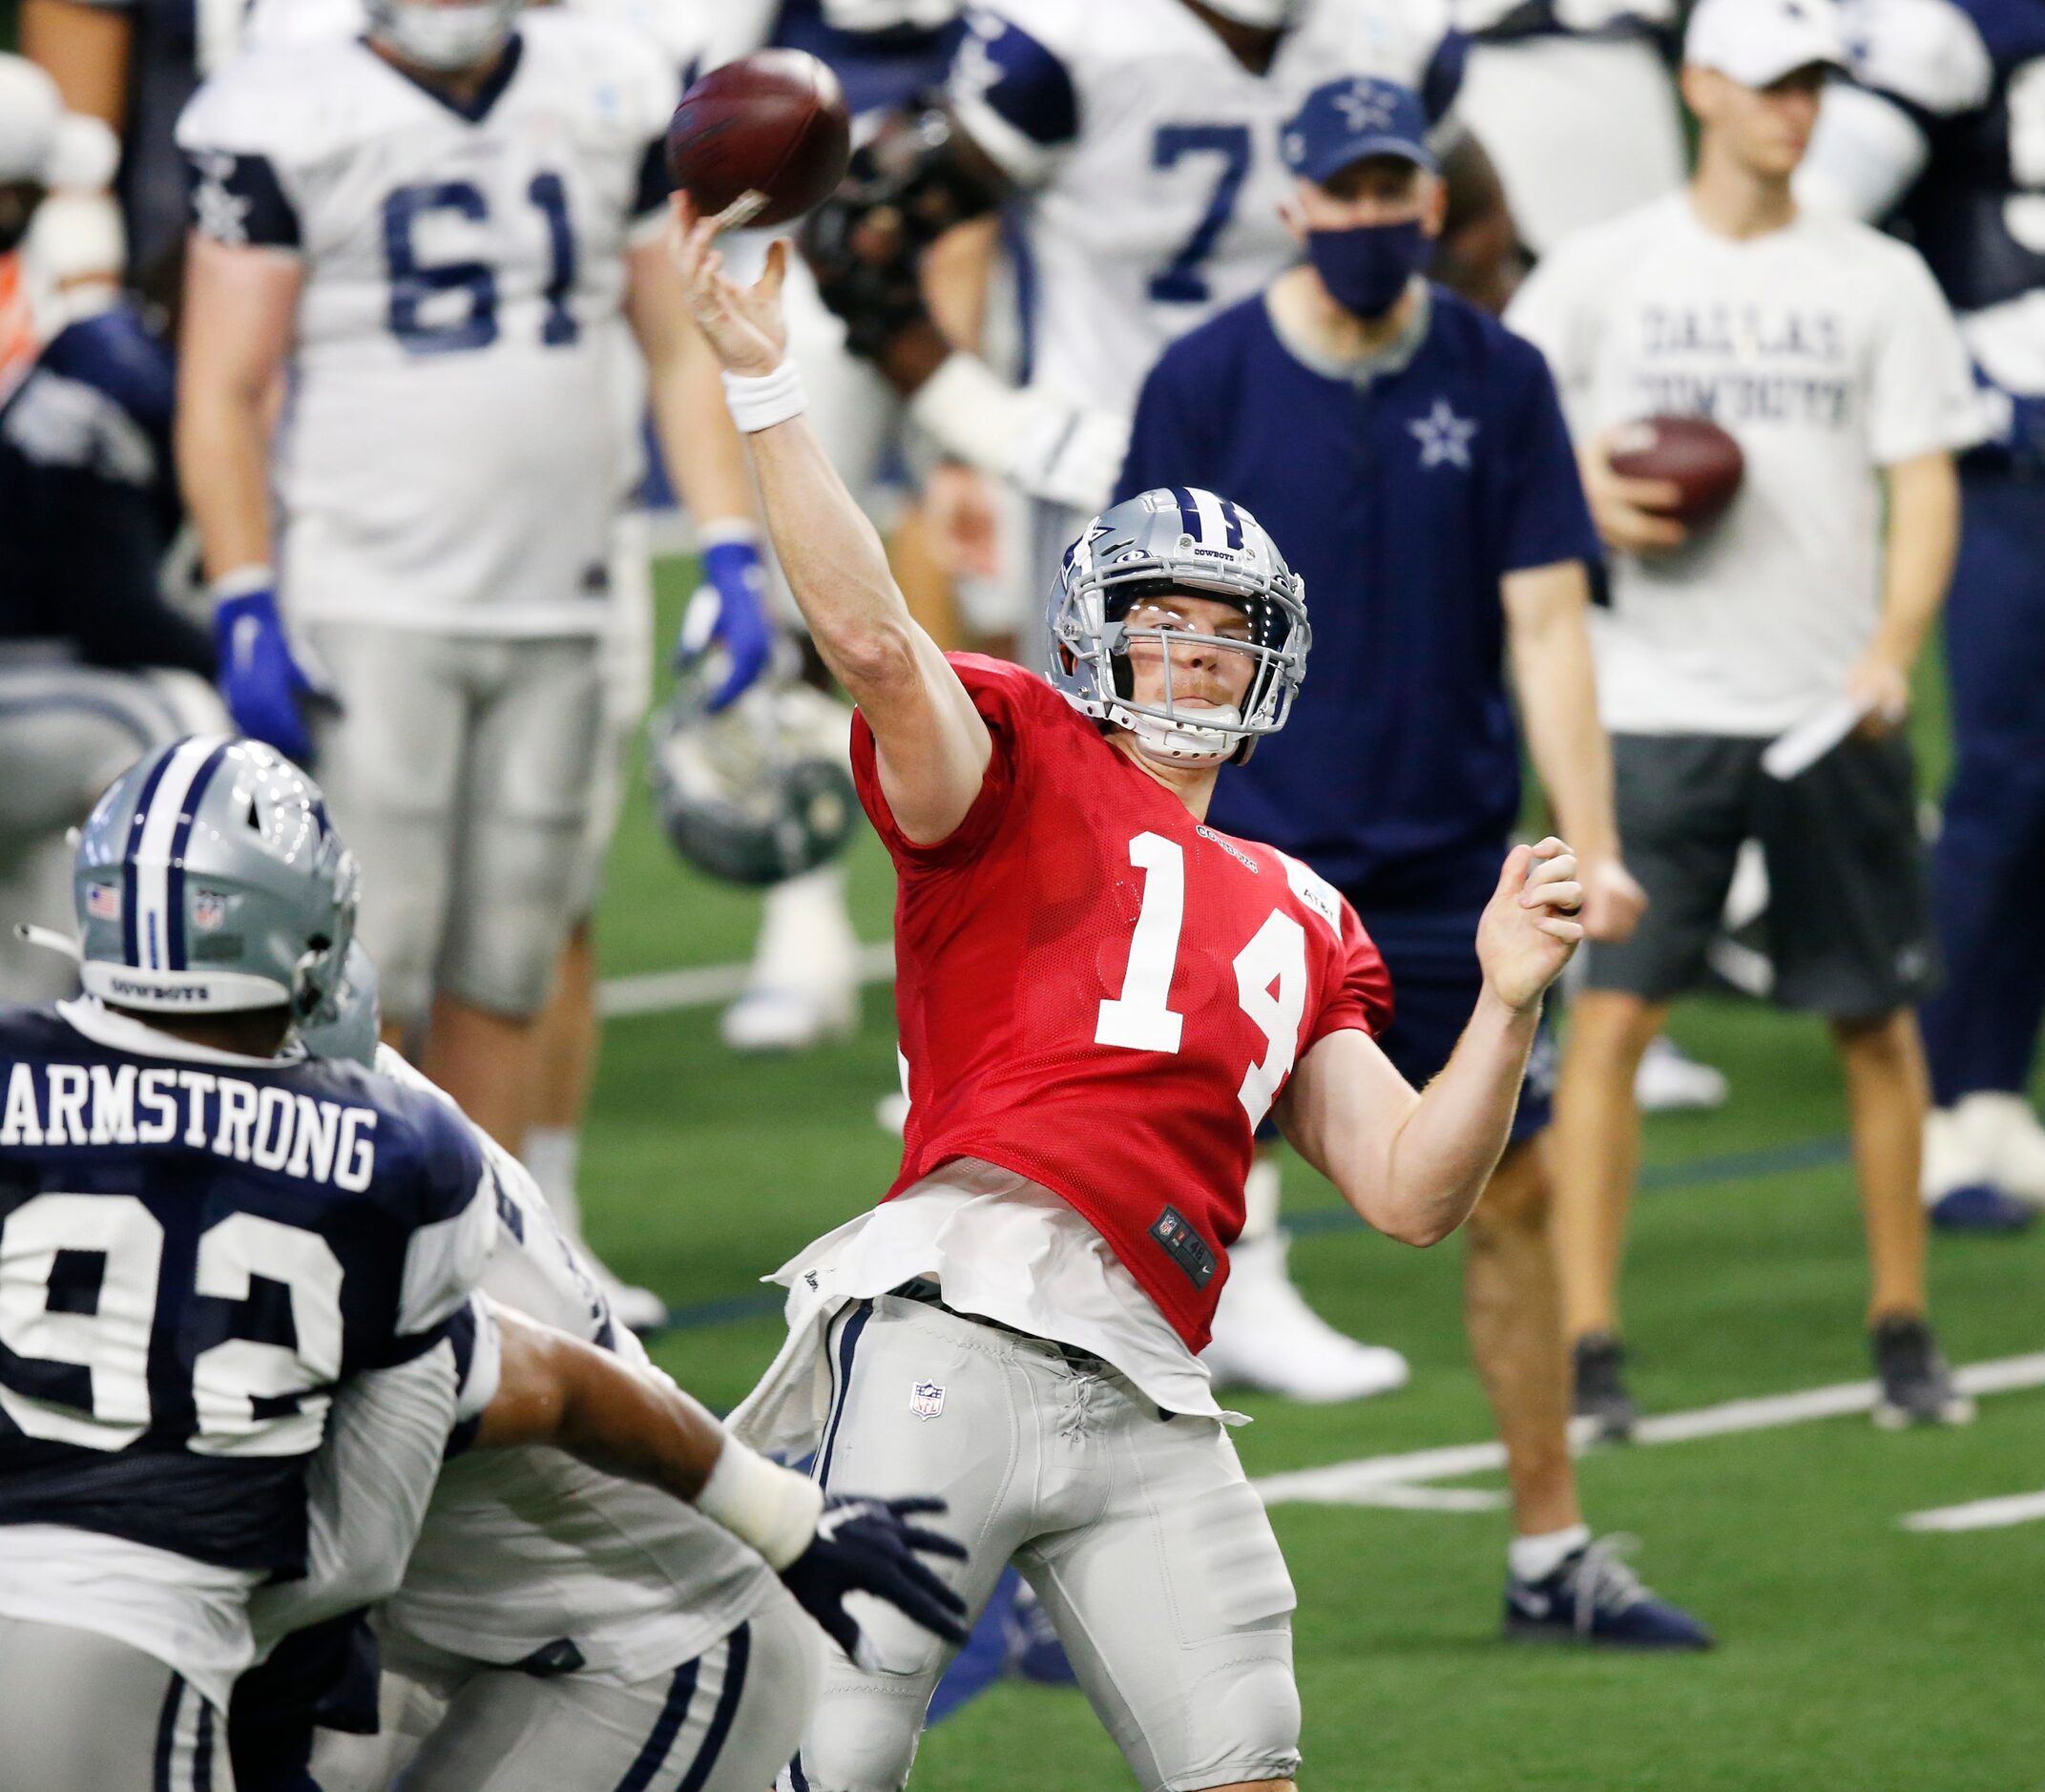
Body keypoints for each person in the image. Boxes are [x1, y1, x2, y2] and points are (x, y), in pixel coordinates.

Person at [671, 198, 1589, 1792]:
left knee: (1246, 1766)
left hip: (1155, 1381)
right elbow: (880, 650)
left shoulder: (1305, 910)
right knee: (829, 1764)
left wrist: (1504, 1003)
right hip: (954, 1322)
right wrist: (767, 392)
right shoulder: (1014, 762)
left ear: (1269, 668)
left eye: (1220, 633)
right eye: (1156, 623)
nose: (1186, 659)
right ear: (1095, 633)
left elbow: (1412, 1191)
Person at [802, 0, 1515, 1403]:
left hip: (1305, 473)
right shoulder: (1076, 40)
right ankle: (1024, 1171)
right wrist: (990, 422)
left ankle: (1230, 1245)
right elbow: (868, 242)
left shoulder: (1381, 41)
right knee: (1065, 866)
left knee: (1255, 887)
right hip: (1113, 509)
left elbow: (1478, 223)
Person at [1117, 74, 1709, 1646]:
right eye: (1344, 193)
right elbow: (1156, 648)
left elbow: (1543, 615)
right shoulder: (1202, 381)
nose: (1371, 220)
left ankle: (1546, 1550)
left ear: (1429, 206)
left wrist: (1587, 834)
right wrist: (1157, 851)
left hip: (1447, 867)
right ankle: (1081, 1568)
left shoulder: (1500, 375)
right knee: (1148, 1208)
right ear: (1292, 201)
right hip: (1251, 860)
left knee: (1505, 1196)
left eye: (1396, 193)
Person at [173, 0, 774, 1184]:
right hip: (368, 600)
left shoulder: (613, 81)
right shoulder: (283, 105)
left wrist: (726, 543)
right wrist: (245, 591)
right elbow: (222, 384)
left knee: (510, 968)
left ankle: (486, 1278)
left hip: (562, 594)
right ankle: (347, 1268)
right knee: (363, 973)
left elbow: (676, 340)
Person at [1510, 0, 1987, 1437]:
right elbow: (1516, 436)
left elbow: (1924, 477)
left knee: (1871, 1018)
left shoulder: (1876, 276)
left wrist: (1890, 650)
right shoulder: (1604, 271)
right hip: (1645, 704)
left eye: (1816, 85)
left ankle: (1899, 1322)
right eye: (1773, 82)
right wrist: (1578, 494)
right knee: (1611, 1018)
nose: (1798, 110)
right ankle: (1587, 1346)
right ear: (1700, 83)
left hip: (1819, 706)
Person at [235, 943, 971, 1792]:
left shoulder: (389, 1208)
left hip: (637, 1647)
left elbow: (555, 1393)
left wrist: (782, 1520)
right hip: (456, 1622)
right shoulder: (324, 1122)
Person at [1796, 0, 2045, 1234]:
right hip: (2010, 444)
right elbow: (1821, 218)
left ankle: (1997, 1091)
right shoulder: (1948, 24)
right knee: (2002, 781)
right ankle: (1948, 1094)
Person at [0, 63, 229, 1003]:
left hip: (35, 675)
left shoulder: (66, 336)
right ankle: (223, 1043)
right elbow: (113, 610)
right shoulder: (97, 362)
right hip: (33, 675)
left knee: (32, 986)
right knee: (184, 732)